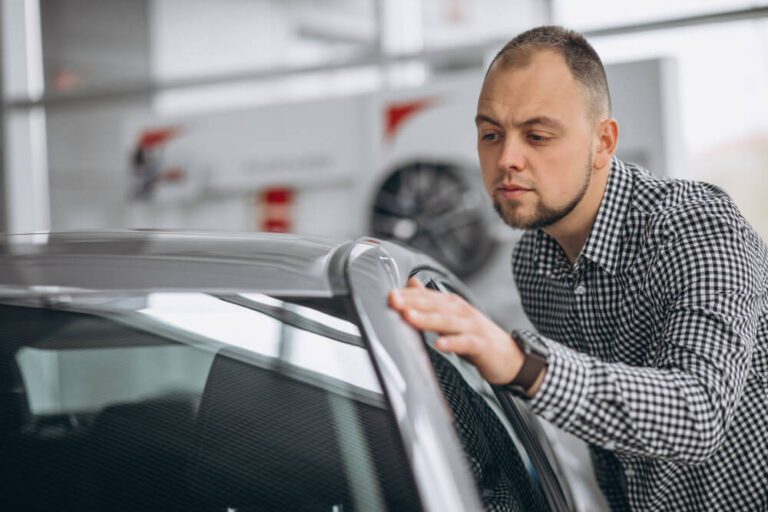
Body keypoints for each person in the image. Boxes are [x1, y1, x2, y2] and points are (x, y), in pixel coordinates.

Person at [388, 25, 768, 511]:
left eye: (538, 135)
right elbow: (610, 442)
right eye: (491, 134)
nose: (507, 160)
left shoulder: (696, 230)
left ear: (603, 142)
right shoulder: (535, 264)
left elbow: (698, 413)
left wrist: (521, 366)